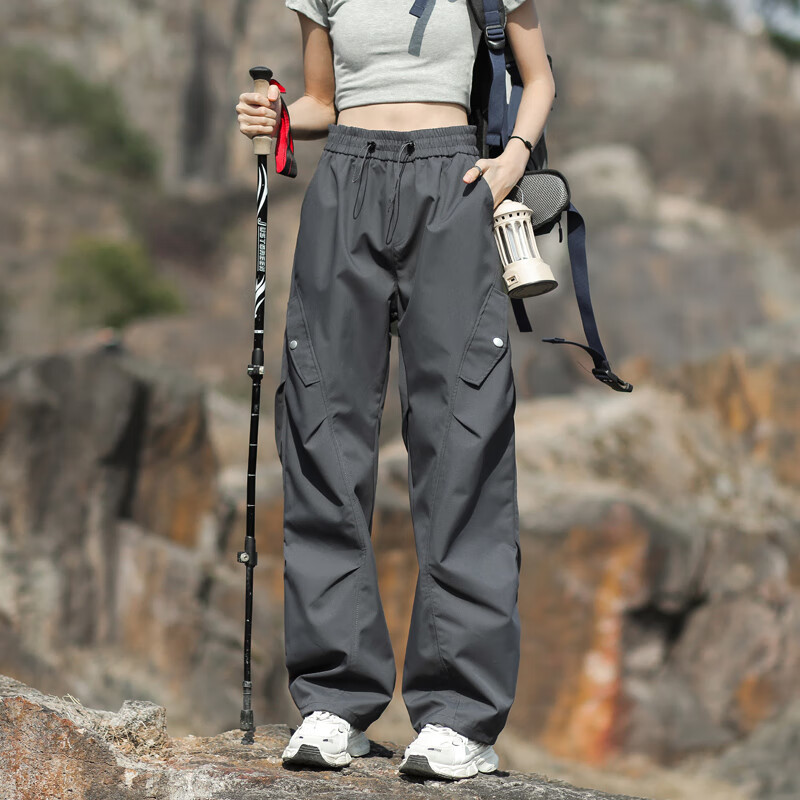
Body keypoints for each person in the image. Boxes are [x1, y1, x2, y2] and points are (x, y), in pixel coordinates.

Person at [235, 0, 555, 781]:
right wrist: (277, 115)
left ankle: (459, 717)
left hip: (456, 179)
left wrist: (513, 157)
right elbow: (323, 99)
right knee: (323, 433)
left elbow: (538, 75)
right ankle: (334, 702)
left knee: (463, 441)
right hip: (345, 179)